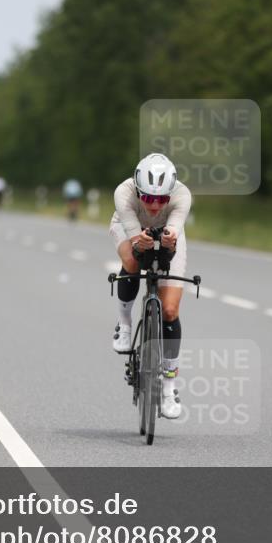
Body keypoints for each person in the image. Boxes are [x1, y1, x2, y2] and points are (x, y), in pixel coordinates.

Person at [109, 153, 191, 419]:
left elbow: (174, 231)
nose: (154, 205)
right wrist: (139, 242)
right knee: (133, 261)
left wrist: (169, 241)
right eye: (147, 198)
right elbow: (136, 243)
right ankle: (124, 323)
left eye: (161, 199)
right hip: (129, 227)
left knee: (169, 310)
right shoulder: (124, 193)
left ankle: (169, 388)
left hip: (168, 233)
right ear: (137, 190)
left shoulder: (182, 195)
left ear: (171, 193)